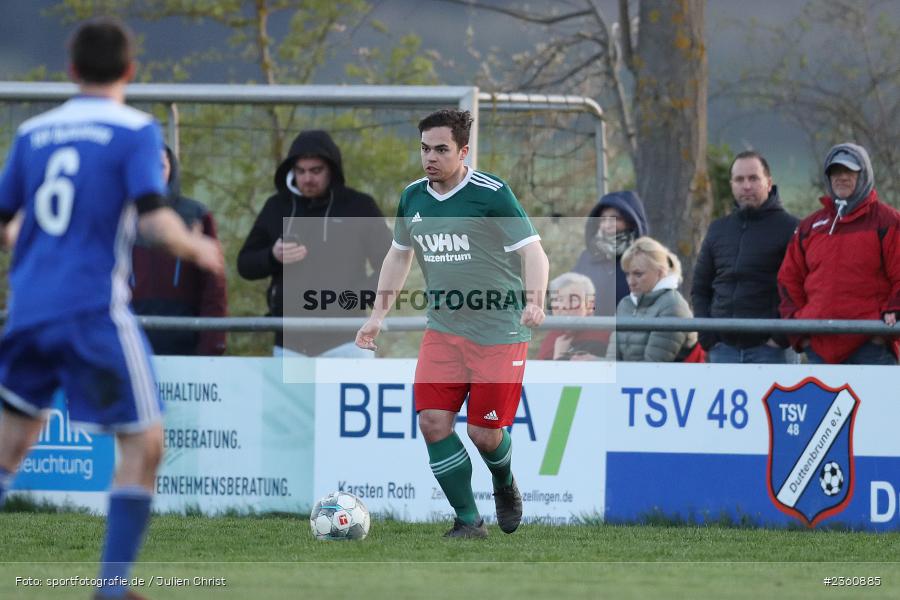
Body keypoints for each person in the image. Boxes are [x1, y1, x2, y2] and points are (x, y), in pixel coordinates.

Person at [0, 18, 223, 600]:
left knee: (9, 448)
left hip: (28, 311)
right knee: (145, 444)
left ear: (71, 69)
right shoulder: (134, 130)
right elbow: (154, 217)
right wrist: (194, 246)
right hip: (92, 312)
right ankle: (111, 587)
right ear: (130, 70)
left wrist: (37, 243)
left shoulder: (33, 132)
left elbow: (5, 222)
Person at [355, 109, 549, 538]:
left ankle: (504, 481)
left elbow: (533, 251)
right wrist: (376, 317)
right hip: (443, 331)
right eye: (425, 149)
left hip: (499, 333)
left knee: (484, 433)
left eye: (441, 149)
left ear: (463, 152)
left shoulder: (492, 194)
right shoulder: (413, 197)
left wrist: (535, 301)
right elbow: (398, 256)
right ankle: (468, 520)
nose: (430, 157)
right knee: (432, 422)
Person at [237, 129, 391, 357]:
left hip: (348, 342)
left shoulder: (359, 206)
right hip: (289, 344)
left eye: (316, 170)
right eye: (300, 171)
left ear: (332, 170)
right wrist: (272, 256)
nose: (307, 178)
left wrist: (356, 299)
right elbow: (245, 264)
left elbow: (392, 265)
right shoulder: (276, 206)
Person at [778, 143, 900, 365]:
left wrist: (891, 316)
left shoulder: (889, 221)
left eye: (849, 171)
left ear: (864, 175)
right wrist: (799, 331)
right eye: (835, 171)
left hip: (871, 348)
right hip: (818, 350)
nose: (841, 177)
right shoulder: (809, 226)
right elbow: (789, 278)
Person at [691, 150, 798, 363]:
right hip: (722, 350)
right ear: (732, 184)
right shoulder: (717, 230)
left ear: (768, 183)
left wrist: (780, 338)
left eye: (753, 178)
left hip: (772, 352)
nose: (746, 186)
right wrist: (708, 336)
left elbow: (799, 289)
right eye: (739, 179)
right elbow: (700, 288)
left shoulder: (792, 228)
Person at [131, 145, 228, 355]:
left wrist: (213, 343)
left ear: (172, 168)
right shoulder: (118, 217)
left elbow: (214, 287)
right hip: (129, 342)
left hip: (185, 345)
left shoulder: (196, 214)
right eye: (147, 164)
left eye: (161, 165)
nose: (154, 172)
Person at [606, 237, 697, 362]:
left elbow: (653, 367)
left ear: (660, 273)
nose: (630, 282)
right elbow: (611, 362)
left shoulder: (673, 306)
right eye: (628, 274)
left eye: (638, 274)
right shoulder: (625, 304)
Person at [572, 190, 649, 317]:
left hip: (634, 328)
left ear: (631, 222)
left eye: (615, 219)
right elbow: (568, 296)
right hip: (591, 328)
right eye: (603, 220)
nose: (607, 225)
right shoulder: (587, 258)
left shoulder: (648, 258)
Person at [538, 272, 607, 360]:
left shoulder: (599, 337)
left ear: (589, 305)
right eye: (559, 300)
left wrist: (559, 357)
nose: (565, 306)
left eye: (573, 299)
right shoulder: (551, 337)